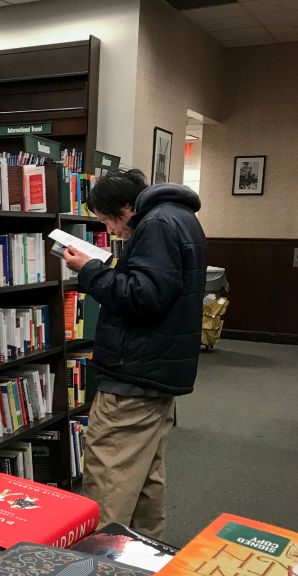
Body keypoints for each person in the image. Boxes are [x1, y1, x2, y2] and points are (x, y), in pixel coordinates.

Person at [62, 169, 207, 539]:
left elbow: (143, 297)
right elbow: (160, 287)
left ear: (126, 207)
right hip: (159, 370)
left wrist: (89, 270)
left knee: (109, 479)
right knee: (145, 479)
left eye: (108, 220)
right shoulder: (180, 217)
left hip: (133, 374)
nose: (111, 231)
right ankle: (143, 565)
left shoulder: (156, 224)